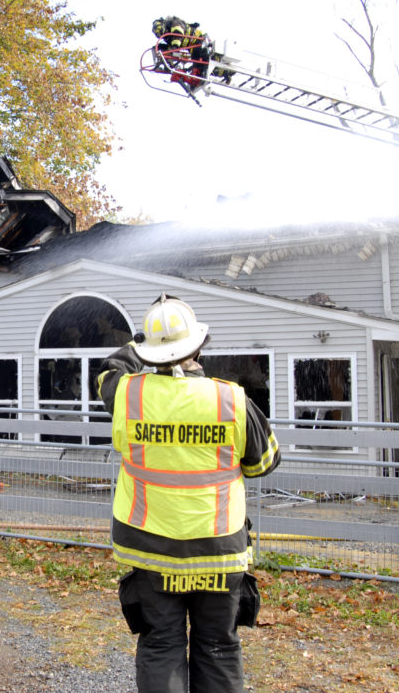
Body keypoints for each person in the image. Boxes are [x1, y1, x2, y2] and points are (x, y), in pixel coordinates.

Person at [95, 294, 280, 693]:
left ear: (148, 353)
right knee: (218, 647)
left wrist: (140, 344)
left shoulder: (130, 395)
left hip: (152, 548)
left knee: (161, 644)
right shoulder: (230, 398)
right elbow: (263, 462)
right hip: (218, 548)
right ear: (198, 346)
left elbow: (108, 373)